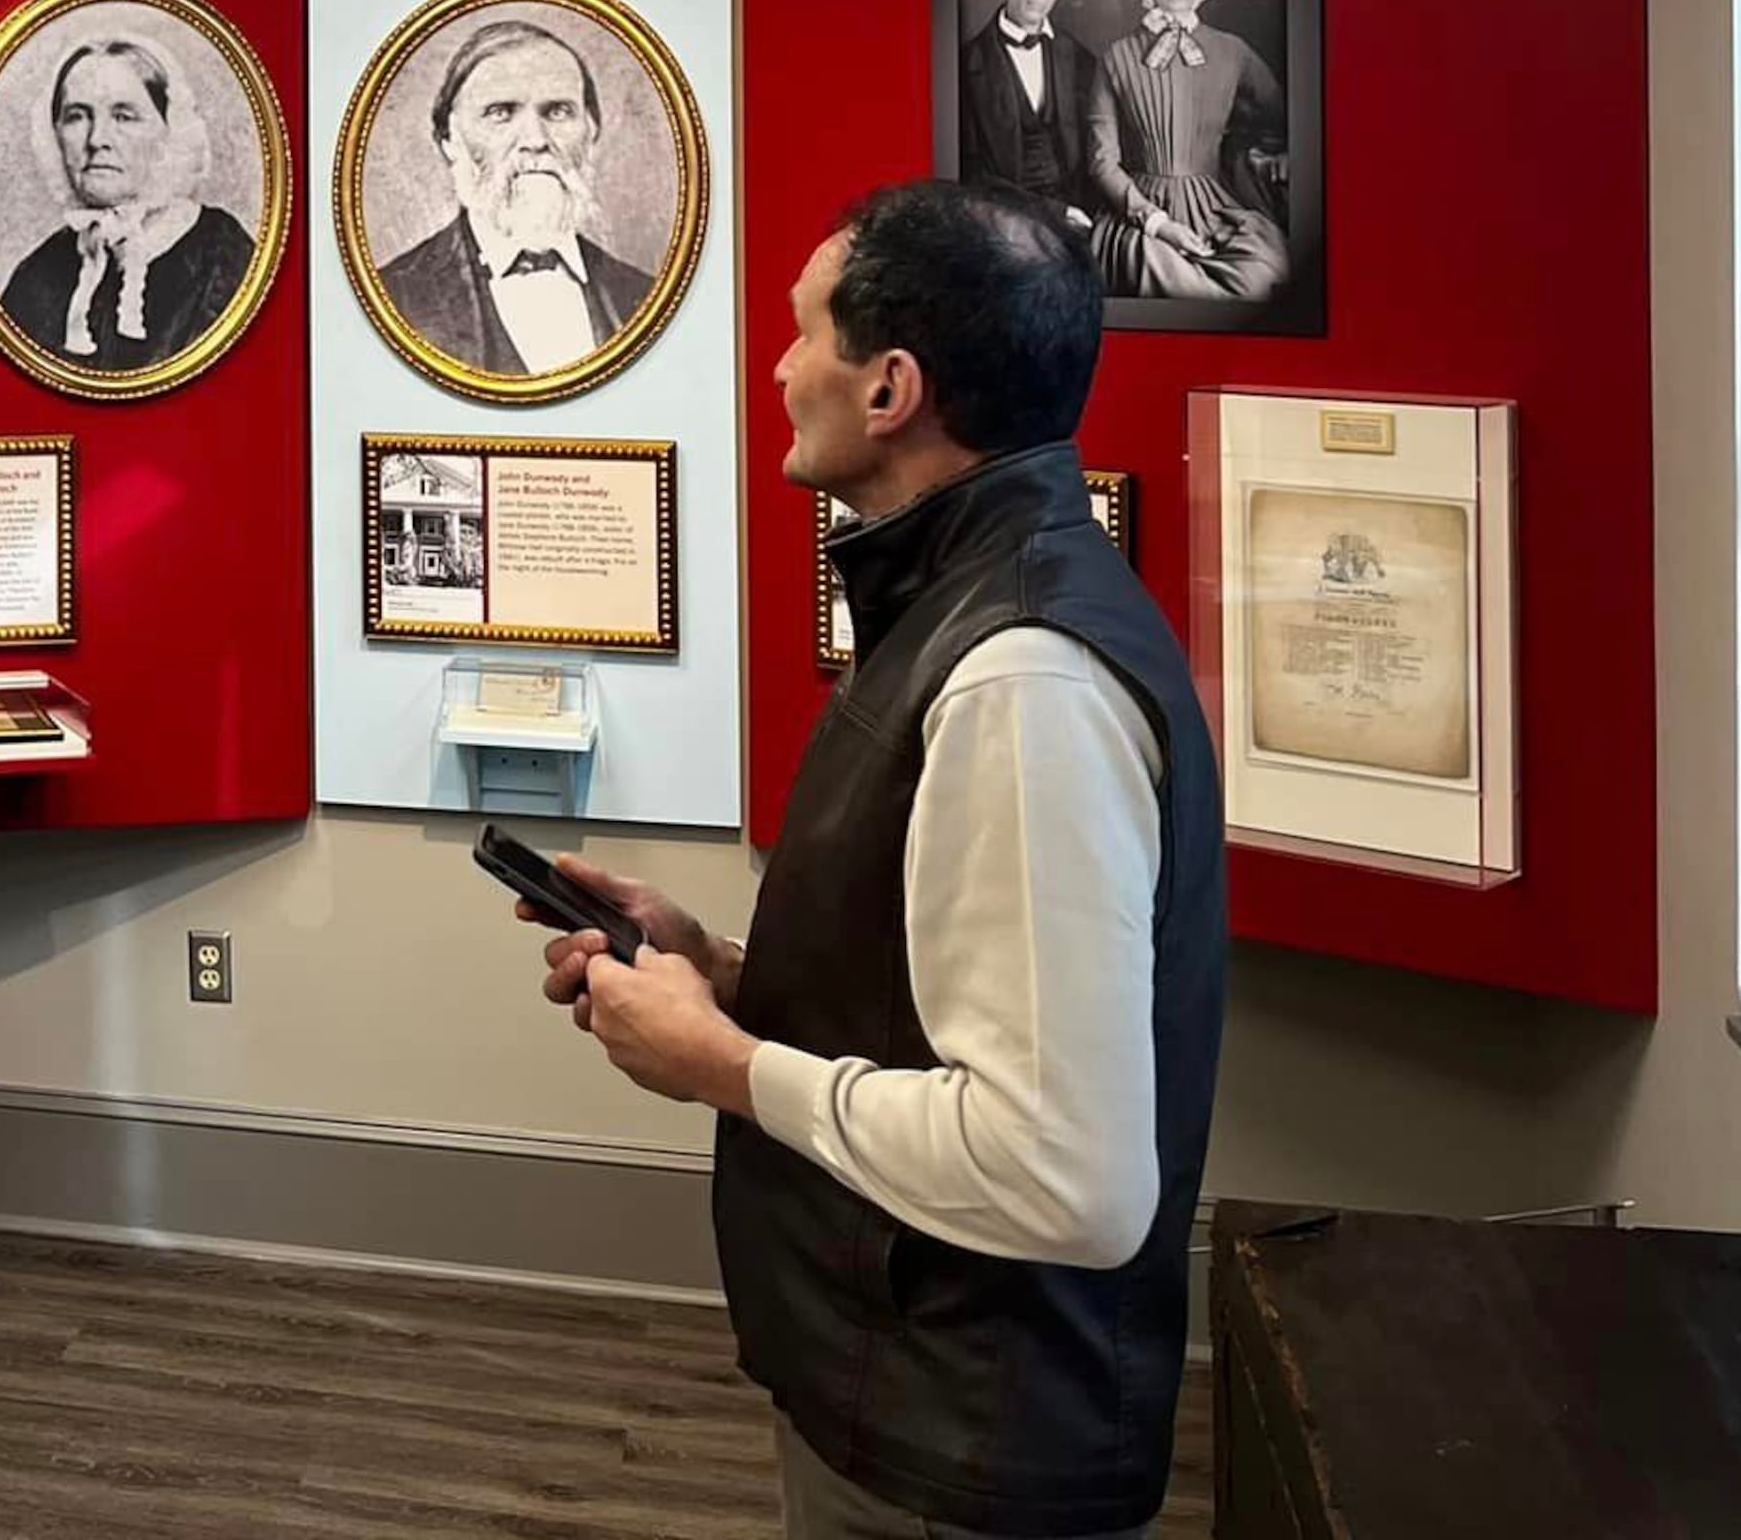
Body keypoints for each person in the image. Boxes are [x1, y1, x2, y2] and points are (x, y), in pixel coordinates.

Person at [523, 181, 1224, 1540]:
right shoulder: (978, 606)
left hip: (965, 1442)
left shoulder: (1021, 677)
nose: (780, 371)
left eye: (801, 337)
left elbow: (1066, 1179)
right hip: (915, 1397)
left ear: (891, 386)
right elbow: (951, 1001)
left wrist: (721, 1064)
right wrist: (722, 971)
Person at [377, 17, 654, 377]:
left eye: (557, 111)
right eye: (501, 113)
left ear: (592, 130)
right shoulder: (394, 296)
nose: (535, 139)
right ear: (449, 140)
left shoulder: (643, 295)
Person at [0, 35, 256, 370]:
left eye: (123, 116)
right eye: (77, 116)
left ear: (169, 131)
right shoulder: (37, 274)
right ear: (54, 133)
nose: (97, 139)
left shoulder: (222, 257)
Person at [1081, 0, 1289, 306]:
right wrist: (1158, 224)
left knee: (1263, 270)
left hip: (1216, 207)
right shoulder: (1116, 56)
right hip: (1139, 213)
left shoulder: (1234, 51)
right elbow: (1101, 162)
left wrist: (1279, 156)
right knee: (1153, 269)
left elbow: (1286, 118)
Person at [952, 0, 1100, 225]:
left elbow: (1095, 158)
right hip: (1003, 220)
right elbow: (971, 176)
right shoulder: (966, 66)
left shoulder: (1081, 60)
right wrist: (1054, 213)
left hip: (1082, 220)